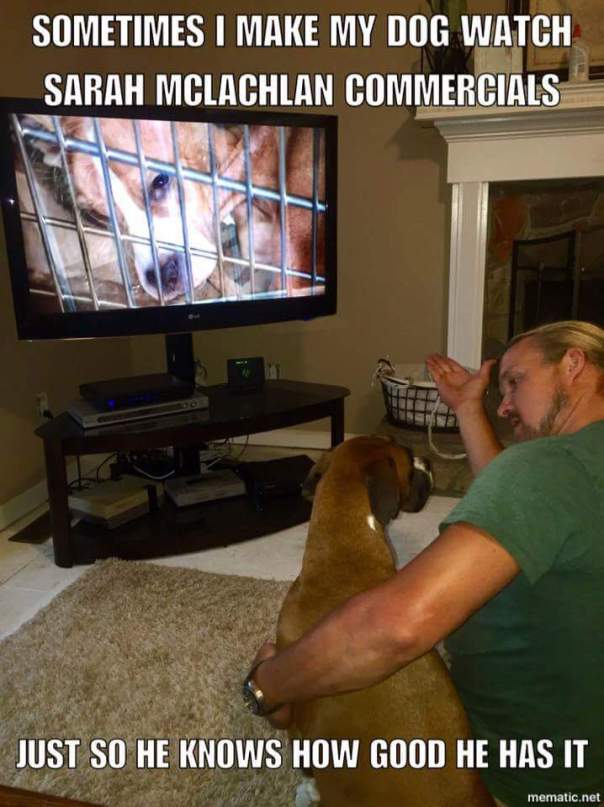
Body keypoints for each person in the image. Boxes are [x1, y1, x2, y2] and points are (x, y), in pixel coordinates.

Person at [246, 320, 604, 807]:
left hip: (518, 786)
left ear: (573, 363)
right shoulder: (576, 468)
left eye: (515, 381)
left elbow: (395, 628)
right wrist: (467, 408)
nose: (503, 406)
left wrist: (267, 686)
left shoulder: (547, 467)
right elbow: (525, 502)